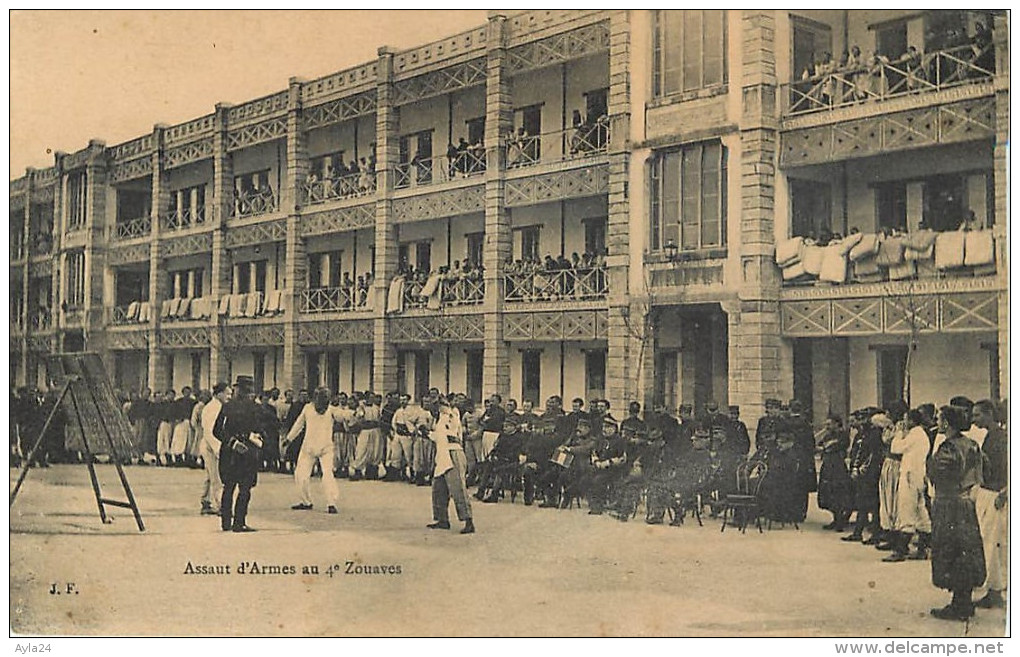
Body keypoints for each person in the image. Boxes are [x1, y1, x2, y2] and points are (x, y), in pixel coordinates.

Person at [927, 405, 986, 620]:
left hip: (948, 503)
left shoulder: (948, 447)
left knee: (950, 549)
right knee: (966, 549)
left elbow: (938, 472)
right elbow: (982, 471)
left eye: (940, 419)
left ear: (947, 423)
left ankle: (958, 605)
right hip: (966, 503)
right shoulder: (972, 444)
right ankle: (964, 600)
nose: (937, 422)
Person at [213, 376, 266, 533]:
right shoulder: (253, 407)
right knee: (243, 488)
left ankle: (227, 523)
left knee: (230, 487)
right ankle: (238, 523)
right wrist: (256, 440)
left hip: (232, 452)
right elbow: (261, 429)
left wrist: (232, 443)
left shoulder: (228, 407)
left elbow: (217, 431)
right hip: (245, 452)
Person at [284, 387, 343, 515]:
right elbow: (299, 424)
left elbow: (342, 415)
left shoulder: (332, 410)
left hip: (326, 448)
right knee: (301, 475)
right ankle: (306, 501)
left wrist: (355, 414)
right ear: (315, 398)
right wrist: (289, 439)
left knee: (328, 475)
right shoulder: (308, 409)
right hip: (308, 448)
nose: (323, 404)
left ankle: (331, 503)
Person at [972, 399, 1007, 608]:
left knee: (993, 543)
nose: (974, 419)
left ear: (988, 414)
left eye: (977, 415)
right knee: (987, 542)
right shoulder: (990, 436)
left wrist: (1006, 492)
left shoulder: (1002, 438)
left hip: (996, 495)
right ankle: (993, 588)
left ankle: (995, 591)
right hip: (985, 493)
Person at [427, 396, 475, 534]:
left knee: (458, 488)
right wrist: (427, 433)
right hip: (442, 455)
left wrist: (447, 408)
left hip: (453, 452)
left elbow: (451, 432)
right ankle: (442, 519)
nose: (437, 407)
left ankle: (468, 521)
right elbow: (439, 437)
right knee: (438, 488)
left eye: (439, 404)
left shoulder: (453, 414)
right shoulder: (440, 419)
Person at [817, 414, 852, 531]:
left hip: (837, 467)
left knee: (838, 493)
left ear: (837, 423)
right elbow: (819, 445)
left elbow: (838, 446)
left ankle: (841, 521)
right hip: (827, 466)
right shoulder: (828, 435)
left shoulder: (843, 435)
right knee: (828, 494)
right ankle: (836, 519)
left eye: (829, 424)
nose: (827, 426)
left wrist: (826, 447)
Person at [198, 383, 229, 516]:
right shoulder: (212, 408)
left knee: (210, 475)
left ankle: (205, 502)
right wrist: (218, 449)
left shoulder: (219, 406)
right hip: (211, 445)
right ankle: (221, 506)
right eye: (227, 393)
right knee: (217, 477)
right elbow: (210, 432)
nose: (229, 396)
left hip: (211, 445)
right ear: (219, 394)